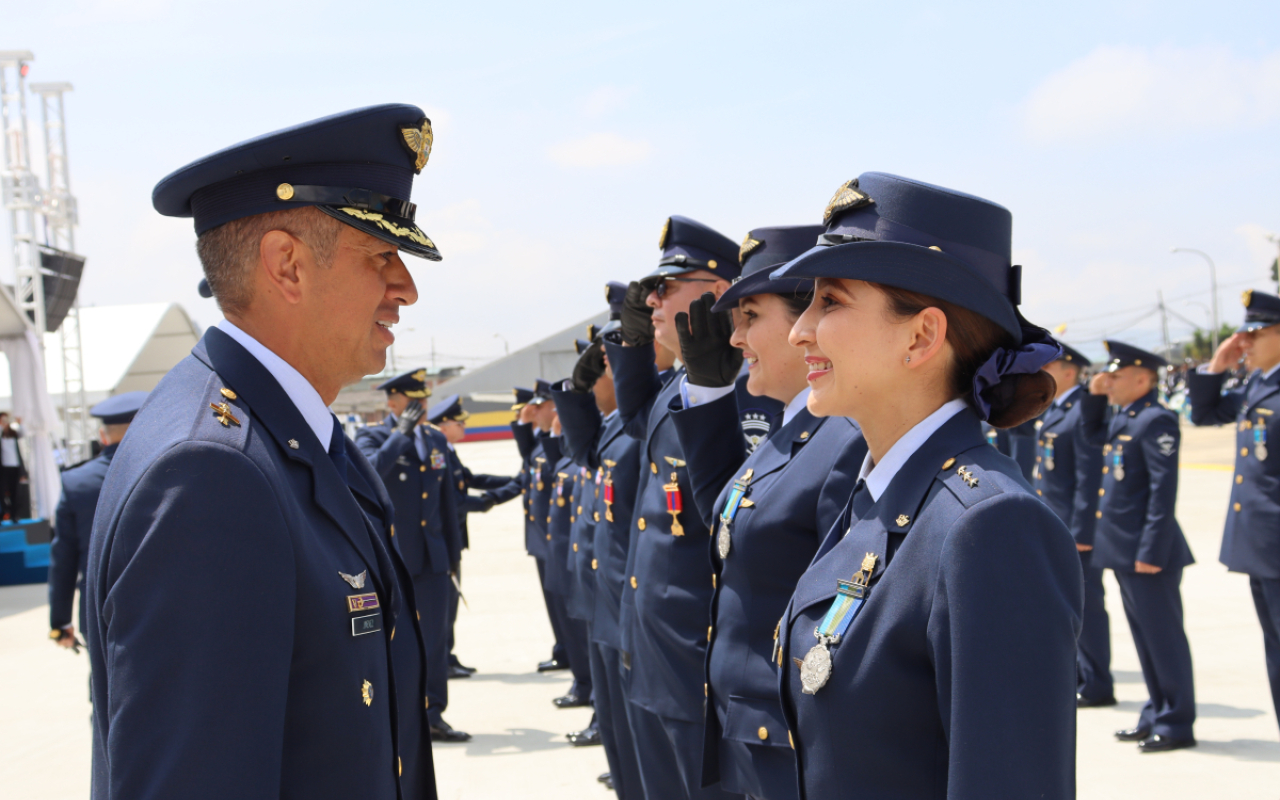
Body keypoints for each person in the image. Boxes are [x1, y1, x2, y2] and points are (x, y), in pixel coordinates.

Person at [86, 104, 440, 799]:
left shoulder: (288, 441)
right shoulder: (212, 475)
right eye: (381, 256)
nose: (406, 289)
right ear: (288, 267)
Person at [773, 172, 1082, 798]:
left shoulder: (988, 526)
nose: (797, 331)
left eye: (829, 302)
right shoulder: (876, 492)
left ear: (921, 337)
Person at [667, 224, 868, 800]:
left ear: (808, 326)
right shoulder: (794, 428)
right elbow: (729, 523)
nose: (735, 339)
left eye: (750, 317)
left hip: (792, 745)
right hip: (754, 736)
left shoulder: (846, 437)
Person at [604, 214, 779, 800]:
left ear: (714, 292)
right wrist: (631, 343)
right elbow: (635, 425)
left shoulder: (751, 389)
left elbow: (745, 514)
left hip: (697, 658)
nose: (652, 299)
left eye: (665, 286)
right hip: (653, 648)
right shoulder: (684, 385)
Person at [552, 283, 647, 798]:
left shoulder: (642, 423)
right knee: (614, 723)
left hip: (628, 602)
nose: (600, 371)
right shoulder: (614, 427)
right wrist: (574, 394)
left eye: (605, 360)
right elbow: (584, 453)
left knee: (637, 738)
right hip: (606, 598)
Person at [1082, 339, 1196, 752]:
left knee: (1163, 638)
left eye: (1115, 377)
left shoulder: (1156, 420)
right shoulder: (1126, 418)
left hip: (1149, 553)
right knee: (1146, 640)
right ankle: (1155, 712)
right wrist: (1094, 399)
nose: (1107, 382)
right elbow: (1092, 435)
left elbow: (1163, 493)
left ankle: (1177, 722)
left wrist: (1150, 551)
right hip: (1125, 549)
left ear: (1143, 378)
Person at [357, 368, 471, 743]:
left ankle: (433, 714)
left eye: (423, 400)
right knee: (395, 642)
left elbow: (444, 503)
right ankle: (399, 718)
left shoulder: (435, 442)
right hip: (394, 560)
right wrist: (400, 435)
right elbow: (369, 473)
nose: (420, 407)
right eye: (412, 401)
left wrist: (452, 556)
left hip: (434, 560)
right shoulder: (373, 436)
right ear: (392, 403)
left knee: (435, 642)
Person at [1187, 289, 1280, 735]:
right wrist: (1216, 367)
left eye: (1255, 334)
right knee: (1275, 650)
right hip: (1261, 545)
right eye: (1243, 335)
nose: (1245, 343)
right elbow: (1205, 414)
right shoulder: (1258, 385)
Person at [1033, 343, 1114, 707]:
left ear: (1070, 371)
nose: (1042, 370)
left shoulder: (1082, 411)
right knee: (1069, 607)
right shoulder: (1057, 410)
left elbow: (1088, 476)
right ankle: (1081, 674)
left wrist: (1081, 531)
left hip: (1074, 529)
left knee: (1088, 607)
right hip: (1057, 522)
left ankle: (1097, 682)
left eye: (1050, 364)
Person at [47, 391, 149, 654]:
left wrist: (60, 622)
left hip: (98, 608)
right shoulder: (166, 469)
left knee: (105, 687)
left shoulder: (75, 482)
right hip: (158, 605)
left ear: (103, 436)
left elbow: (64, 559)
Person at [428, 393, 521, 678]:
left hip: (452, 539)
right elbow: (454, 500)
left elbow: (471, 479)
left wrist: (516, 480)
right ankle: (441, 659)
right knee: (443, 607)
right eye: (460, 422)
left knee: (450, 606)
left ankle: (448, 656)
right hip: (442, 539)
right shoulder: (437, 453)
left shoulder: (447, 451)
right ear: (444, 425)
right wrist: (503, 494)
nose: (464, 427)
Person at [515, 380, 576, 673]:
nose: (533, 411)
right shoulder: (542, 440)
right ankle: (563, 649)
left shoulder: (561, 440)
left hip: (556, 536)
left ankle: (570, 654)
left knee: (565, 607)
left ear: (555, 407)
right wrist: (522, 424)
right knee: (554, 605)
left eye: (539, 406)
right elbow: (527, 460)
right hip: (542, 535)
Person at [0, 412, 25, 520]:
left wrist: (19, 423)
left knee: (15, 491)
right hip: (3, 468)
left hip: (14, 467)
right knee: (2, 491)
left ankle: (14, 514)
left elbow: (23, 433)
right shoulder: (1, 434)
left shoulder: (13, 434)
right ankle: (5, 511)